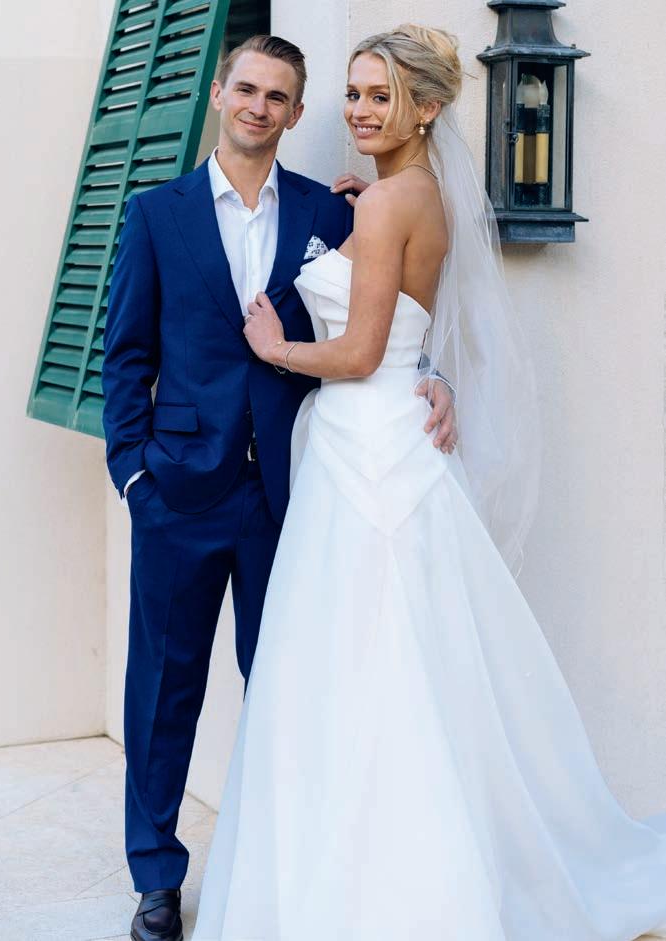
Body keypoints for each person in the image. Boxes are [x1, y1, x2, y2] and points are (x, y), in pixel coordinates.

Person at [192, 24, 666, 940]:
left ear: (428, 107)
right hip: (386, 444)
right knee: (398, 652)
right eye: (354, 94)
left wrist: (275, 346)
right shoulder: (416, 196)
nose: (360, 111)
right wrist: (359, 217)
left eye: (382, 96)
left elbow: (362, 353)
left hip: (364, 449)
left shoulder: (386, 204)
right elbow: (409, 328)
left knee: (358, 658)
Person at [101, 34, 456, 941]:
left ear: (296, 114)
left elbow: (393, 312)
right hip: (178, 492)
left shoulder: (333, 209)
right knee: (162, 690)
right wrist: (134, 474)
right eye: (247, 89)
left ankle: (286, 866)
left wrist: (433, 376)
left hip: (293, 495)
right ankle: (155, 876)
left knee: (290, 685)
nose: (259, 107)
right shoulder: (155, 214)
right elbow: (126, 355)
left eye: (278, 97)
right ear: (221, 94)